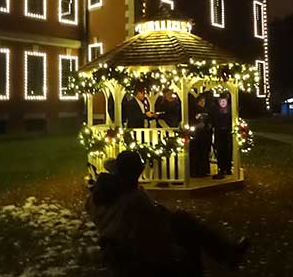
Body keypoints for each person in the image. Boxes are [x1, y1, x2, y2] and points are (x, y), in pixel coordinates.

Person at [86, 151, 250, 277]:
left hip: (120, 248)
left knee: (182, 221)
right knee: (187, 231)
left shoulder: (95, 197)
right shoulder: (135, 198)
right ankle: (226, 254)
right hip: (136, 255)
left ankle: (227, 253)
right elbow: (157, 229)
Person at [189, 94, 212, 177]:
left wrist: (208, 125)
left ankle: (204, 171)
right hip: (196, 135)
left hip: (204, 135)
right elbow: (191, 121)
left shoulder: (206, 110)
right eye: (201, 101)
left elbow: (209, 122)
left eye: (204, 101)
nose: (202, 103)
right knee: (196, 153)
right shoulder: (193, 111)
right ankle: (195, 171)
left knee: (204, 153)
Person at [211, 93, 233, 179]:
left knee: (228, 150)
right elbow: (213, 120)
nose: (223, 102)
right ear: (219, 101)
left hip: (228, 133)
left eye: (225, 100)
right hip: (219, 132)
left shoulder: (231, 109)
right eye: (221, 101)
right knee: (220, 150)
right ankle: (221, 168)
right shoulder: (215, 109)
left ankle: (228, 168)